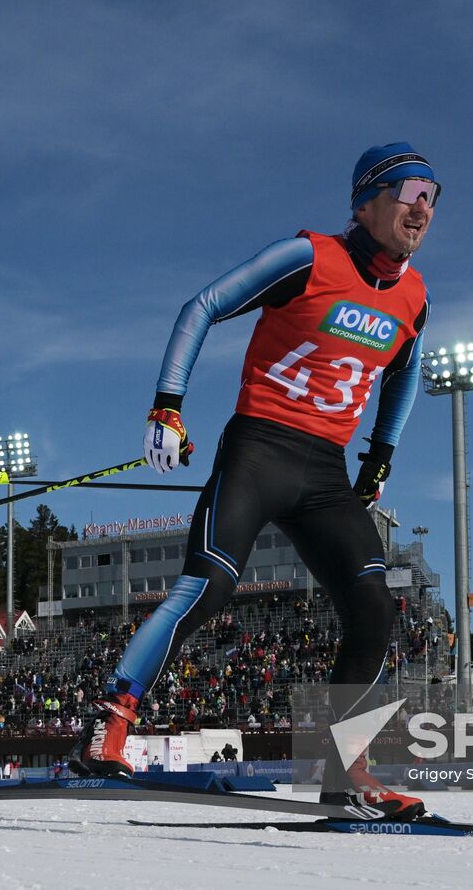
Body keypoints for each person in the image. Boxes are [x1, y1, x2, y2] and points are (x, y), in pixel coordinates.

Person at [70, 143, 437, 820]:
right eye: (410, 190)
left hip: (326, 469)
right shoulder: (310, 257)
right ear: (366, 200)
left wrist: (380, 455)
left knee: (375, 607)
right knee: (206, 586)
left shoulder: (414, 296)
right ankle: (110, 724)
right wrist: (168, 404)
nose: (423, 206)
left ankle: (341, 767)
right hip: (260, 448)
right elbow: (202, 304)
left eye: (433, 196)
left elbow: (407, 367)